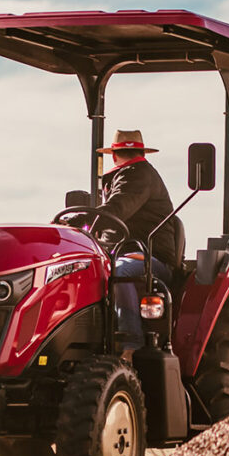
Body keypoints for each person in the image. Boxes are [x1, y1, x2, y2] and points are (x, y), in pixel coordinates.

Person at [78, 129, 176, 357]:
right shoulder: (123, 176)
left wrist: (83, 217)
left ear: (114, 155)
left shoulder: (138, 174)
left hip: (149, 256)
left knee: (121, 271)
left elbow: (118, 207)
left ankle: (130, 343)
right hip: (119, 251)